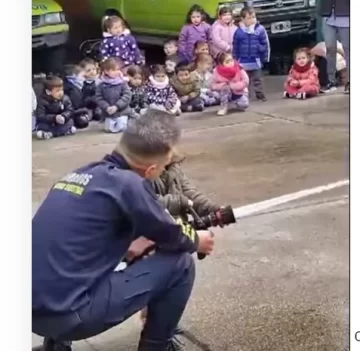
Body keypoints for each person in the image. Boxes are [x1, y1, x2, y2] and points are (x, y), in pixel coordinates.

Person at [32, 111, 215, 351]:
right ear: (150, 170)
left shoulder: (80, 175)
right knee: (180, 264)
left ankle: (55, 346)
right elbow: (173, 235)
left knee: (68, 258)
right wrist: (198, 240)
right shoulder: (130, 184)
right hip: (70, 317)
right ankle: (157, 347)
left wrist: (129, 246)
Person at [232, 6, 270, 102]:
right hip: (243, 60)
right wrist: (235, 59)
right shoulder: (239, 32)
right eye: (249, 18)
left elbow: (265, 44)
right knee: (245, 79)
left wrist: (264, 55)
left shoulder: (260, 30)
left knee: (258, 79)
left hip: (256, 59)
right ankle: (245, 95)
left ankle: (259, 94)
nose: (252, 20)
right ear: (243, 19)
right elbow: (235, 46)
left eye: (253, 17)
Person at [319, 0, 350, 94]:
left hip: (346, 15)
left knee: (348, 49)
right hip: (328, 15)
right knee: (330, 48)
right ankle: (331, 81)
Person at [95, 58, 132, 133]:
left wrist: (117, 106)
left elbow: (127, 96)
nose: (117, 72)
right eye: (114, 70)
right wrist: (106, 107)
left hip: (122, 111)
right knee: (108, 129)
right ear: (106, 71)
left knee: (121, 127)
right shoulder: (101, 85)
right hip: (109, 113)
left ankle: (129, 119)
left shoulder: (122, 83)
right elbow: (99, 98)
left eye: (118, 69)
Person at [63, 64, 90, 129]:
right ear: (74, 76)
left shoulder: (78, 87)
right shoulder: (71, 89)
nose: (84, 79)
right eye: (82, 76)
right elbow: (75, 105)